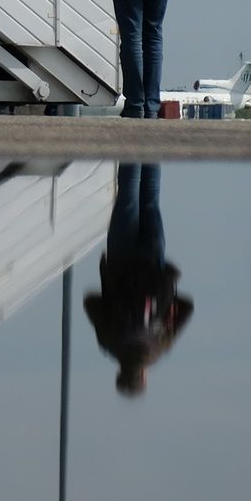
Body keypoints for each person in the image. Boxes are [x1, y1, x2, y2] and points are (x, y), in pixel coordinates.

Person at [85, 164, 191, 396]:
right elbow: (90, 302)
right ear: (119, 372)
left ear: (143, 376)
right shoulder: (110, 342)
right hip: (120, 260)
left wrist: (168, 298)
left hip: (153, 262)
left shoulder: (159, 347)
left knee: (151, 197)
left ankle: (153, 136)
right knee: (128, 195)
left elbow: (188, 307)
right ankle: (132, 135)